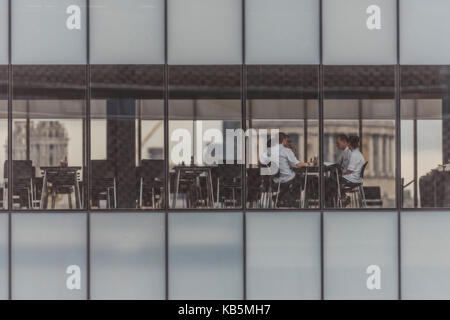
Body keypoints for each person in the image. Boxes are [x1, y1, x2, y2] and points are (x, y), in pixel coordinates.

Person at [260, 132, 310, 207]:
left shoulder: (266, 152)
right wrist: (309, 164)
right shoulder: (286, 151)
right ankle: (291, 201)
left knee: (293, 181)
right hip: (284, 180)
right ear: (283, 140)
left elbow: (262, 163)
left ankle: (284, 199)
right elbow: (296, 164)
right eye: (287, 141)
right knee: (303, 181)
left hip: (271, 181)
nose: (289, 143)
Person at [340, 135, 366, 207]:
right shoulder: (358, 154)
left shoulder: (354, 155)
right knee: (337, 181)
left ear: (349, 144)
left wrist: (341, 173)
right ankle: (343, 198)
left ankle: (344, 199)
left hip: (353, 180)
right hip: (357, 179)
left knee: (335, 181)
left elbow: (349, 171)